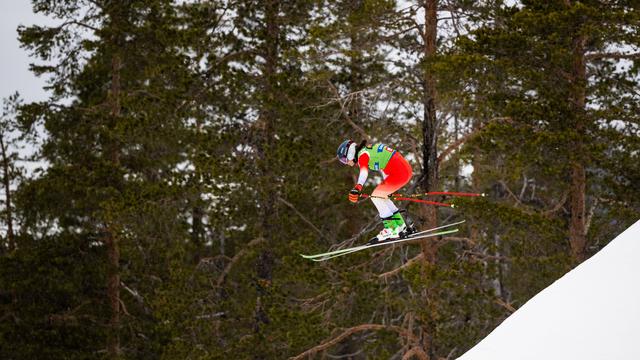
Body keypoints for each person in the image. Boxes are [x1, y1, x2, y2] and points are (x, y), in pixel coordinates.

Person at [336, 139, 415, 243]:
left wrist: (358, 187)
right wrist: (388, 188)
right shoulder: (367, 150)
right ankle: (401, 226)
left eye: (345, 160)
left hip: (399, 172)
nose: (346, 163)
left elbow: (364, 172)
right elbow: (385, 165)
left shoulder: (362, 155)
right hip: (403, 170)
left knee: (376, 197)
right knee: (381, 196)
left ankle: (392, 229)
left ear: (350, 154)